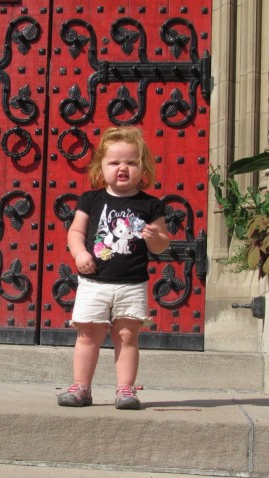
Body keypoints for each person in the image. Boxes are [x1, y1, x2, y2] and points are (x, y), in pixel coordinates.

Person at [57, 125, 170, 410]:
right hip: (94, 281)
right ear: (100, 167)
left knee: (127, 336)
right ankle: (81, 387)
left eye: (131, 163)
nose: (123, 168)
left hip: (131, 283)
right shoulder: (91, 199)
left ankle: (125, 390)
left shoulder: (150, 204)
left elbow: (161, 245)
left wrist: (156, 238)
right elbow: (75, 232)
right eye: (114, 162)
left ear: (142, 167)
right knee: (88, 334)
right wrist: (80, 253)